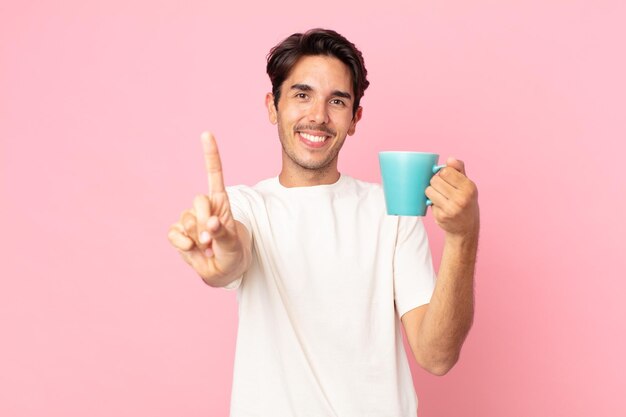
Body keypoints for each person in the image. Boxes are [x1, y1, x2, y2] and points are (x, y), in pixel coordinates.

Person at [167, 28, 479, 417]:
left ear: (354, 118)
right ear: (272, 106)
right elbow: (233, 252)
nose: (318, 116)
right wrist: (223, 251)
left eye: (337, 100)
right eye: (302, 95)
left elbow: (437, 356)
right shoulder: (245, 207)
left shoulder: (393, 210)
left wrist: (463, 238)